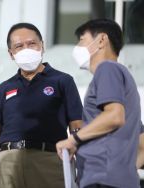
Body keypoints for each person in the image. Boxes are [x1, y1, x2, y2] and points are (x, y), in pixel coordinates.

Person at [0, 22, 83, 188]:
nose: (26, 49)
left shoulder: (63, 81)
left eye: (32, 43)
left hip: (49, 160)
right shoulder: (4, 88)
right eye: (19, 46)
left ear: (42, 46)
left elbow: (77, 126)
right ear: (11, 54)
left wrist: (80, 163)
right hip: (9, 161)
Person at [56, 18, 142, 188]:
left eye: (82, 39)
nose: (78, 47)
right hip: (118, 180)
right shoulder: (123, 78)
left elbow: (114, 116)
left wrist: (74, 140)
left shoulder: (107, 69)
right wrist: (123, 172)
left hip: (101, 179)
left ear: (101, 40)